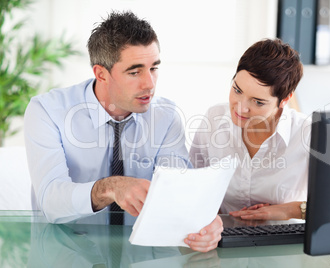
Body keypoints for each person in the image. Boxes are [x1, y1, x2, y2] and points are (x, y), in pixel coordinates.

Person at [24, 11, 222, 252]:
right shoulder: (47, 111)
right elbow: (50, 202)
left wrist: (205, 221)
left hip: (142, 256)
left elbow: (178, 194)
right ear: (101, 74)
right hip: (66, 255)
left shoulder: (167, 117)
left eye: (154, 68)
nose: (149, 83)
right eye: (134, 72)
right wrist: (111, 187)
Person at [189, 38, 311, 221]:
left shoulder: (308, 133)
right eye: (237, 90)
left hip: (283, 242)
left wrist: (287, 211)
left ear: (284, 100)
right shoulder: (214, 118)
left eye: (258, 102)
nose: (240, 108)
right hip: (221, 240)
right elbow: (193, 187)